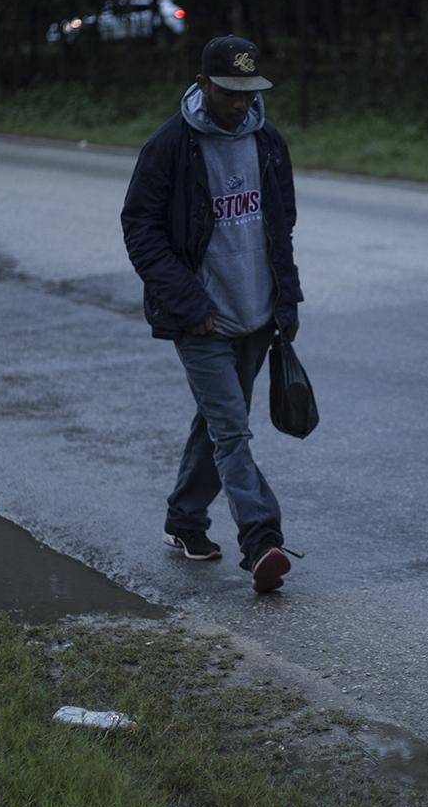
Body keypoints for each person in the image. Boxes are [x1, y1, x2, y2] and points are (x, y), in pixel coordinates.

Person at [120, 36, 303, 594]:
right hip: (201, 319)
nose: (240, 103)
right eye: (228, 92)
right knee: (231, 431)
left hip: (255, 314)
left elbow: (281, 226)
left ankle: (184, 520)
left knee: (215, 420)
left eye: (249, 92)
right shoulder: (171, 146)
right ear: (203, 85)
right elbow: (140, 229)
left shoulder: (268, 142)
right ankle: (261, 542)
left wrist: (286, 299)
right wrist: (188, 304)